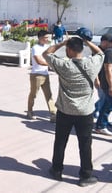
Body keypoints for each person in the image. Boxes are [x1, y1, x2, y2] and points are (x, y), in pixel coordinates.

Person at [43, 36, 104, 187]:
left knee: (60, 142)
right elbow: (100, 53)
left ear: (69, 49)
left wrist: (62, 42)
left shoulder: (64, 65)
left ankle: (56, 170)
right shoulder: (92, 63)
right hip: (85, 113)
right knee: (85, 144)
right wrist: (87, 41)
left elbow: (47, 54)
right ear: (82, 49)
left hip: (65, 111)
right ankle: (85, 176)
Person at [26, 30, 56, 122]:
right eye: (46, 37)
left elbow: (52, 56)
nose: (47, 39)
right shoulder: (35, 48)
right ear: (40, 38)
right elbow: (38, 60)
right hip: (36, 75)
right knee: (33, 94)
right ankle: (30, 111)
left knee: (49, 95)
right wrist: (50, 65)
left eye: (48, 37)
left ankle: (53, 114)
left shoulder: (47, 47)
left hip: (45, 74)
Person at [93, 33, 112, 119]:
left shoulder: (109, 50)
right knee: (104, 99)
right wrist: (96, 79)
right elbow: (94, 67)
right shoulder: (97, 51)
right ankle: (100, 117)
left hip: (106, 79)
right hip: (100, 78)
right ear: (103, 42)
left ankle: (94, 111)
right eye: (109, 42)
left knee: (104, 99)